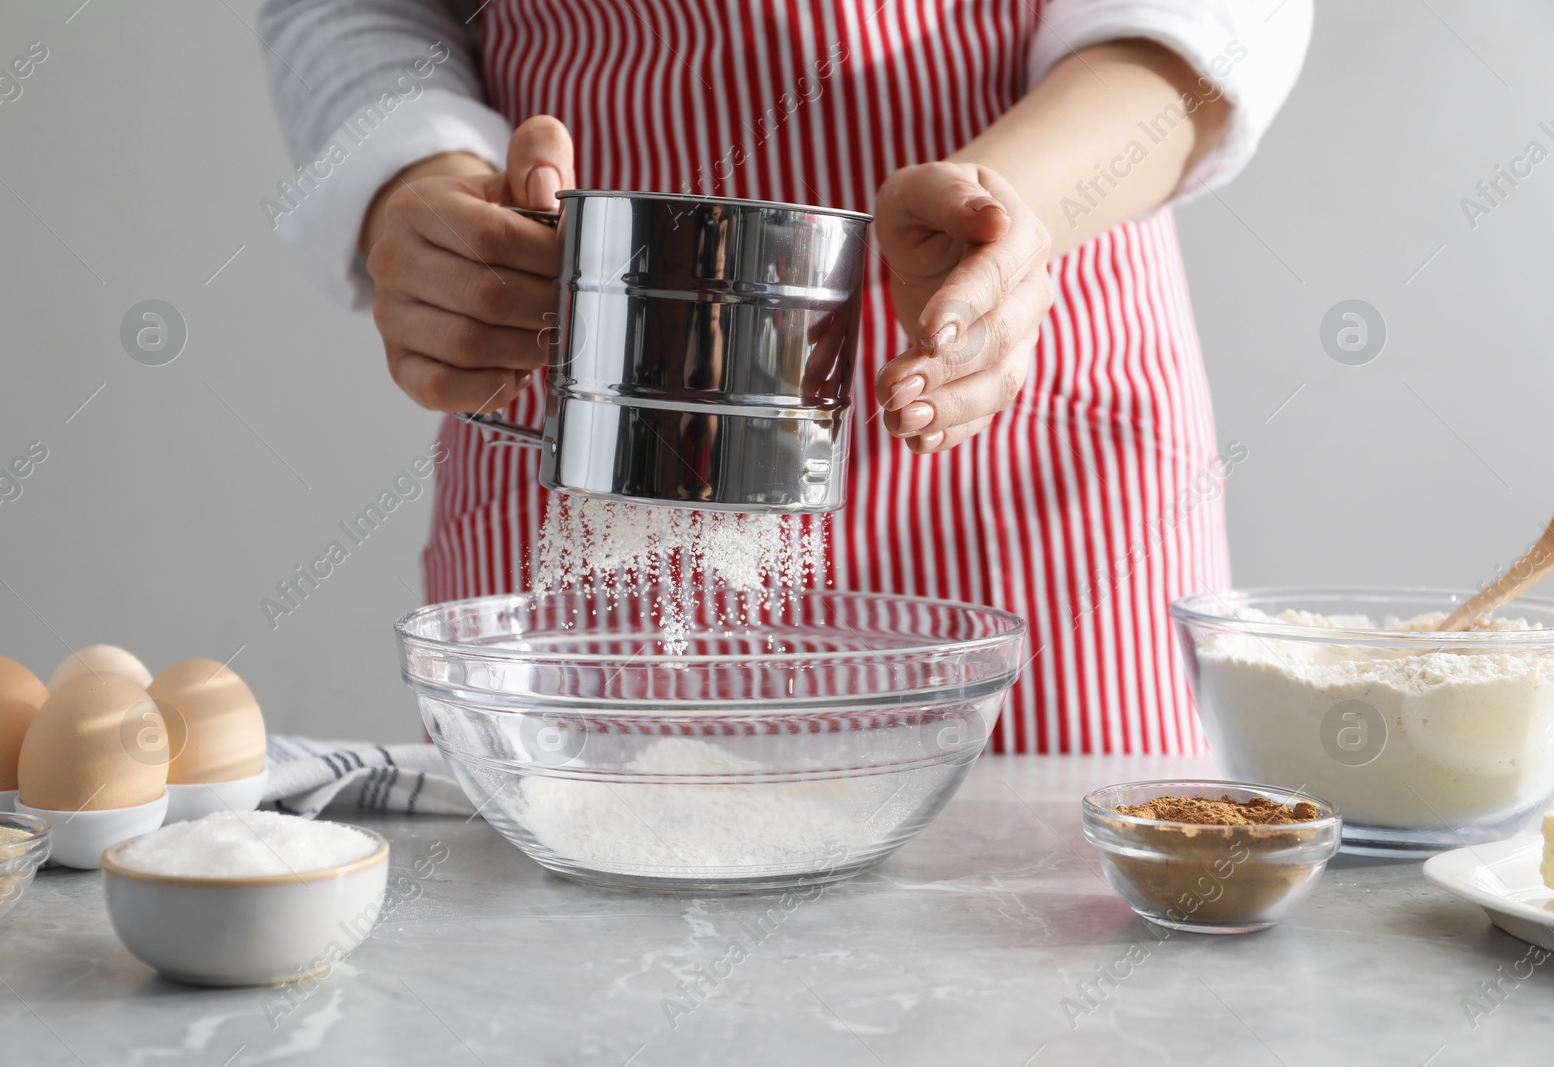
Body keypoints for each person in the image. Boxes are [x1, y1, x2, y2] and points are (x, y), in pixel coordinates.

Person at [259, 0, 1312, 754]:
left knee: (1046, 957)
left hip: (1021, 406)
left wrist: (1008, 212)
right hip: (601, 403)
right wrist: (425, 180)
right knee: (583, 964)